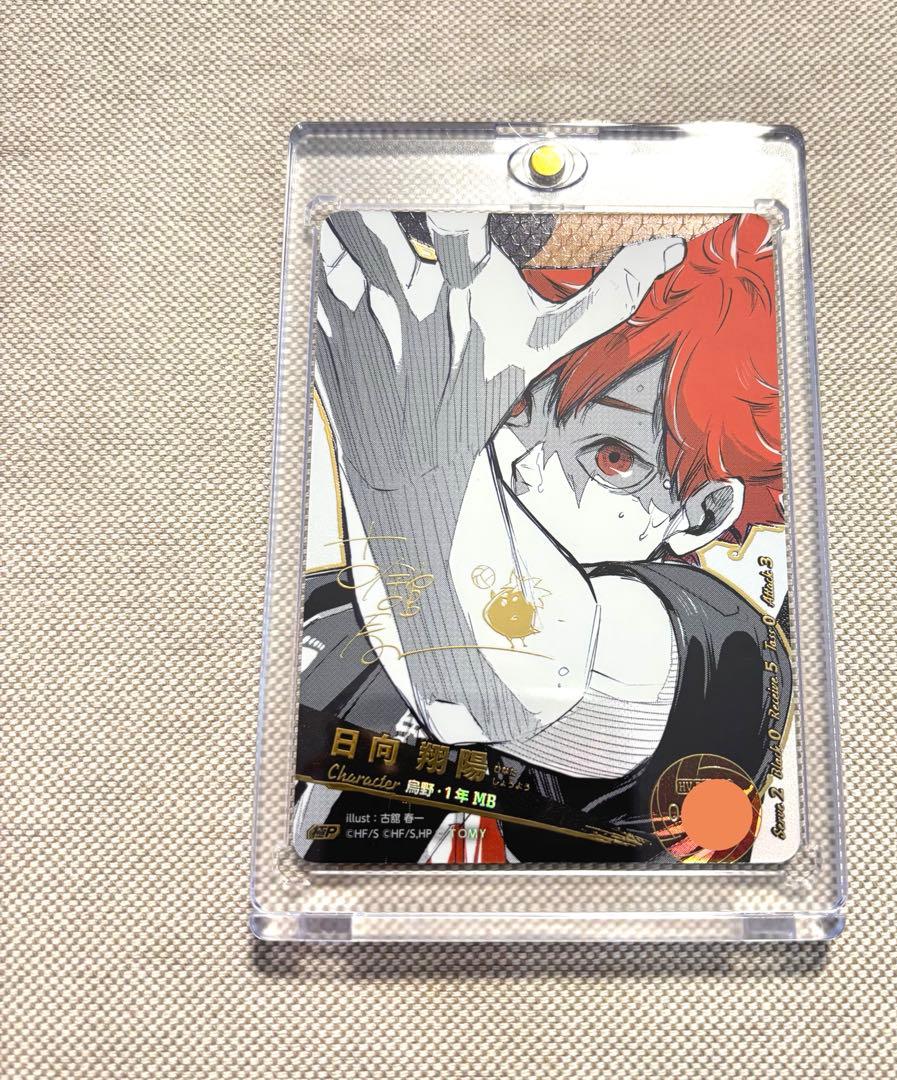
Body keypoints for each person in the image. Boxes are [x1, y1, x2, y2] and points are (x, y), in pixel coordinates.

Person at [294, 211, 792, 863]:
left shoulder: (717, 648)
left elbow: (511, 680)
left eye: (612, 457)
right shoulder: (334, 607)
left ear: (700, 512)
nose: (524, 466)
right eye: (513, 408)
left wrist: (411, 472)